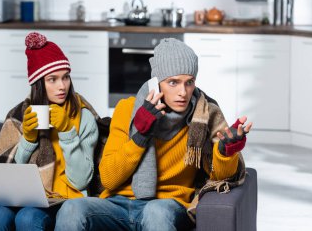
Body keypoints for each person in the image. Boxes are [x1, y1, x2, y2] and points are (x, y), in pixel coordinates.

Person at [55, 38, 252, 231]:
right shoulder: (126, 109)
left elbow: (221, 178)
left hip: (167, 205)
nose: (183, 92)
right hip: (117, 205)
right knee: (72, 208)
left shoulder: (204, 116)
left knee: (155, 212)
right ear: (156, 83)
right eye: (173, 82)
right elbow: (108, 179)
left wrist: (225, 153)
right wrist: (140, 135)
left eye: (189, 82)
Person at [0, 32, 99, 231]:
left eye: (66, 77)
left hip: (64, 198)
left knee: (28, 217)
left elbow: (80, 181)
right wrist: (28, 139)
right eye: (52, 79)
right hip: (23, 196)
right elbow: (7, 177)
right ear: (38, 84)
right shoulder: (19, 115)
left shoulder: (83, 117)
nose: (62, 86)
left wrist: (67, 131)